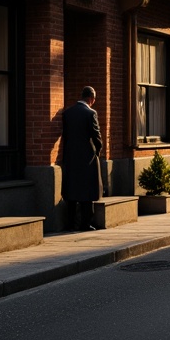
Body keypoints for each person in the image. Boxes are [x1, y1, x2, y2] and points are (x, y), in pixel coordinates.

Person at [61, 85, 103, 231]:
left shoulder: (67, 113)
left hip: (71, 156)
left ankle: (70, 224)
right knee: (87, 191)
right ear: (91, 99)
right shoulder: (91, 113)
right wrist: (98, 150)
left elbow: (65, 136)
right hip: (87, 157)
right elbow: (96, 135)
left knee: (72, 190)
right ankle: (85, 224)